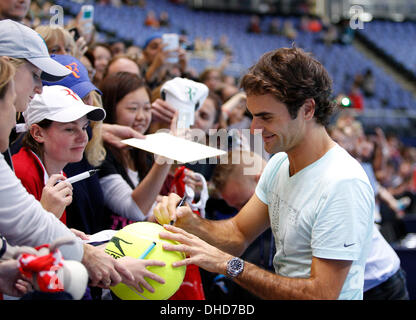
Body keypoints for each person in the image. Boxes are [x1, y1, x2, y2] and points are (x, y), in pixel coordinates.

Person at [154, 47, 375, 300]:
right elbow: (237, 234)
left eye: (266, 117)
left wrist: (229, 265)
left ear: (307, 109)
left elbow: (321, 295)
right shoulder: (280, 162)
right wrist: (188, 221)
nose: (255, 129)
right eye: (253, 116)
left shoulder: (342, 182)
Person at [0, 19, 148, 290]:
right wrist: (86, 254)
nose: (39, 88)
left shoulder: (46, 167)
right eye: (35, 75)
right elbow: (25, 221)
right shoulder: (23, 166)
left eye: (84, 127)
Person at [12, 85, 105, 227]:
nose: (83, 137)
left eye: (84, 127)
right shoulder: (20, 174)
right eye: (69, 129)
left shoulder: (59, 174)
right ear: (38, 133)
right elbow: (18, 244)